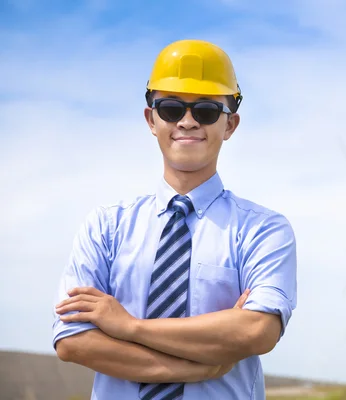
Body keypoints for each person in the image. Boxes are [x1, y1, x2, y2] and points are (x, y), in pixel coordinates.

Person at [52, 39, 298, 400]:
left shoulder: (263, 230)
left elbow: (257, 330)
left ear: (230, 125)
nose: (187, 121)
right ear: (152, 120)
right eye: (170, 108)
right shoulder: (105, 227)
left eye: (206, 111)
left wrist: (128, 326)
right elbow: (73, 341)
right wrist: (197, 366)